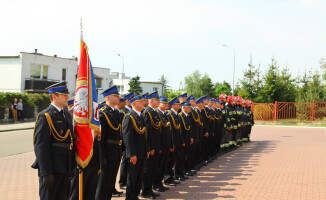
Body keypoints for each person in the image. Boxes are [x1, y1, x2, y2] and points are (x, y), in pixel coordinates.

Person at [32, 81, 75, 200]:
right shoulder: (45, 116)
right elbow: (41, 146)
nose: (67, 97)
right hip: (52, 169)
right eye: (64, 94)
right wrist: (46, 172)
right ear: (54, 96)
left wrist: (72, 165)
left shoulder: (66, 114)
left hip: (65, 167)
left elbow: (69, 142)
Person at [95, 85, 122, 200]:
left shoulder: (117, 113)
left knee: (111, 182)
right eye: (115, 96)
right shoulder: (103, 113)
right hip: (107, 151)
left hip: (116, 151)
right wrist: (102, 157)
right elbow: (100, 138)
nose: (118, 98)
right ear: (108, 97)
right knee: (103, 183)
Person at [123, 95, 148, 200]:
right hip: (135, 153)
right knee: (132, 176)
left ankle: (135, 195)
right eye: (140, 102)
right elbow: (127, 137)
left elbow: (144, 136)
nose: (143, 103)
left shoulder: (140, 116)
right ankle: (130, 197)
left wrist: (146, 150)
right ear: (134, 104)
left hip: (142, 152)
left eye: (143, 101)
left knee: (139, 176)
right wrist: (132, 154)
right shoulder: (129, 116)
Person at [142, 91, 161, 199]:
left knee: (153, 169)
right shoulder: (147, 113)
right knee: (148, 170)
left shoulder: (154, 112)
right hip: (151, 147)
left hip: (156, 146)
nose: (158, 102)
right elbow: (147, 133)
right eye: (156, 100)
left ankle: (150, 189)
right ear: (150, 101)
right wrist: (150, 147)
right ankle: (146, 191)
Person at [153, 96, 173, 192]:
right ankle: (156, 184)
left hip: (166, 144)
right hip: (160, 145)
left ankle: (160, 183)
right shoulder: (157, 114)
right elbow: (158, 133)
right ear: (159, 104)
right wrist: (159, 146)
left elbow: (169, 131)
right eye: (164, 103)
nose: (166, 105)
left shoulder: (166, 114)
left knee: (163, 165)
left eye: (167, 103)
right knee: (158, 166)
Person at [119, 92, 135, 190]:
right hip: (125, 142)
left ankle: (125, 181)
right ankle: (122, 181)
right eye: (129, 100)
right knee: (125, 162)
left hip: (130, 141)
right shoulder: (124, 112)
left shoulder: (131, 112)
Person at [178, 101, 193, 178]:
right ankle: (180, 174)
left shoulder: (187, 116)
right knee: (181, 158)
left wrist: (190, 137)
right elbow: (180, 130)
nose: (190, 109)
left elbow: (189, 129)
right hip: (183, 140)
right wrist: (183, 141)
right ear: (183, 108)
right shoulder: (180, 116)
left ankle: (185, 171)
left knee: (186, 156)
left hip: (187, 139)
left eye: (190, 107)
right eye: (188, 108)